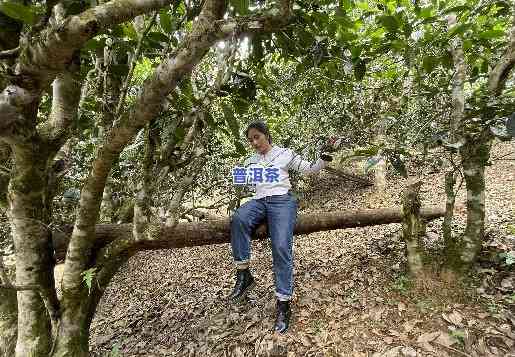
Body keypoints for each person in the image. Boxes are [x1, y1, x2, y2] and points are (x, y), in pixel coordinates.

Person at [228, 121, 334, 333]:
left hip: (282, 201)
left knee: (280, 247)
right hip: (259, 201)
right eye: (250, 140)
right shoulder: (251, 161)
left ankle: (284, 304)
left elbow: (309, 169)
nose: (254, 142)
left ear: (266, 134)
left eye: (257, 137)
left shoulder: (285, 154)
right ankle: (244, 274)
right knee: (238, 218)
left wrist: (325, 156)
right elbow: (249, 185)